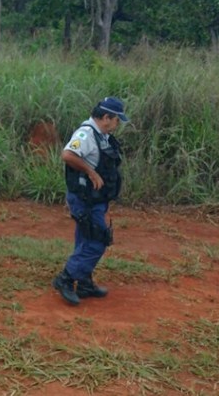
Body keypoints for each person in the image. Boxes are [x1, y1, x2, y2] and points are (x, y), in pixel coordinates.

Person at [52, 97, 128, 306]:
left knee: (86, 240)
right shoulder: (85, 134)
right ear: (106, 118)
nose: (117, 125)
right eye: (116, 120)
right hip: (84, 199)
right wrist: (90, 172)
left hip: (96, 199)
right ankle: (65, 279)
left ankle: (84, 283)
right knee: (97, 241)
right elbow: (67, 155)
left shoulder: (102, 135)